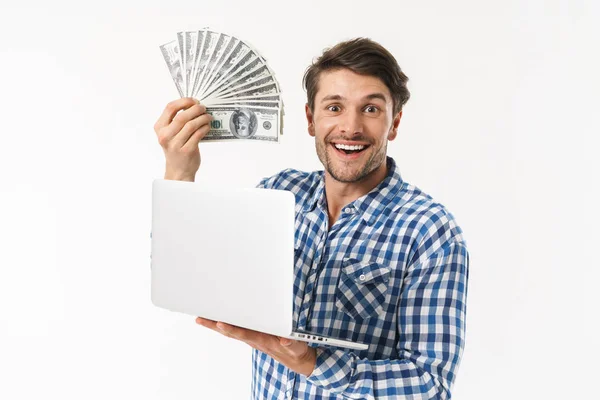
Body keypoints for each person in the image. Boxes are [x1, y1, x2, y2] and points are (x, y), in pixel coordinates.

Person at [153, 37, 469, 399]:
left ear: (394, 124)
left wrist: (313, 362)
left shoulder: (430, 232)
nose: (350, 127)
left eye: (371, 109)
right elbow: (185, 276)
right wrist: (179, 171)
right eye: (334, 107)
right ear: (310, 119)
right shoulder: (275, 194)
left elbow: (432, 387)